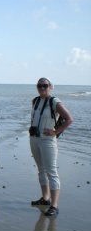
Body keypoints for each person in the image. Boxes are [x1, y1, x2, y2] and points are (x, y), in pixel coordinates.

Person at [29, 77, 73, 217]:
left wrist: (55, 131)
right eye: (39, 85)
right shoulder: (35, 101)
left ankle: (54, 206)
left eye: (45, 85)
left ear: (50, 87)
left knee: (51, 171)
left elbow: (69, 119)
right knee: (41, 170)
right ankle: (45, 199)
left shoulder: (54, 101)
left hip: (48, 140)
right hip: (34, 139)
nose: (42, 88)